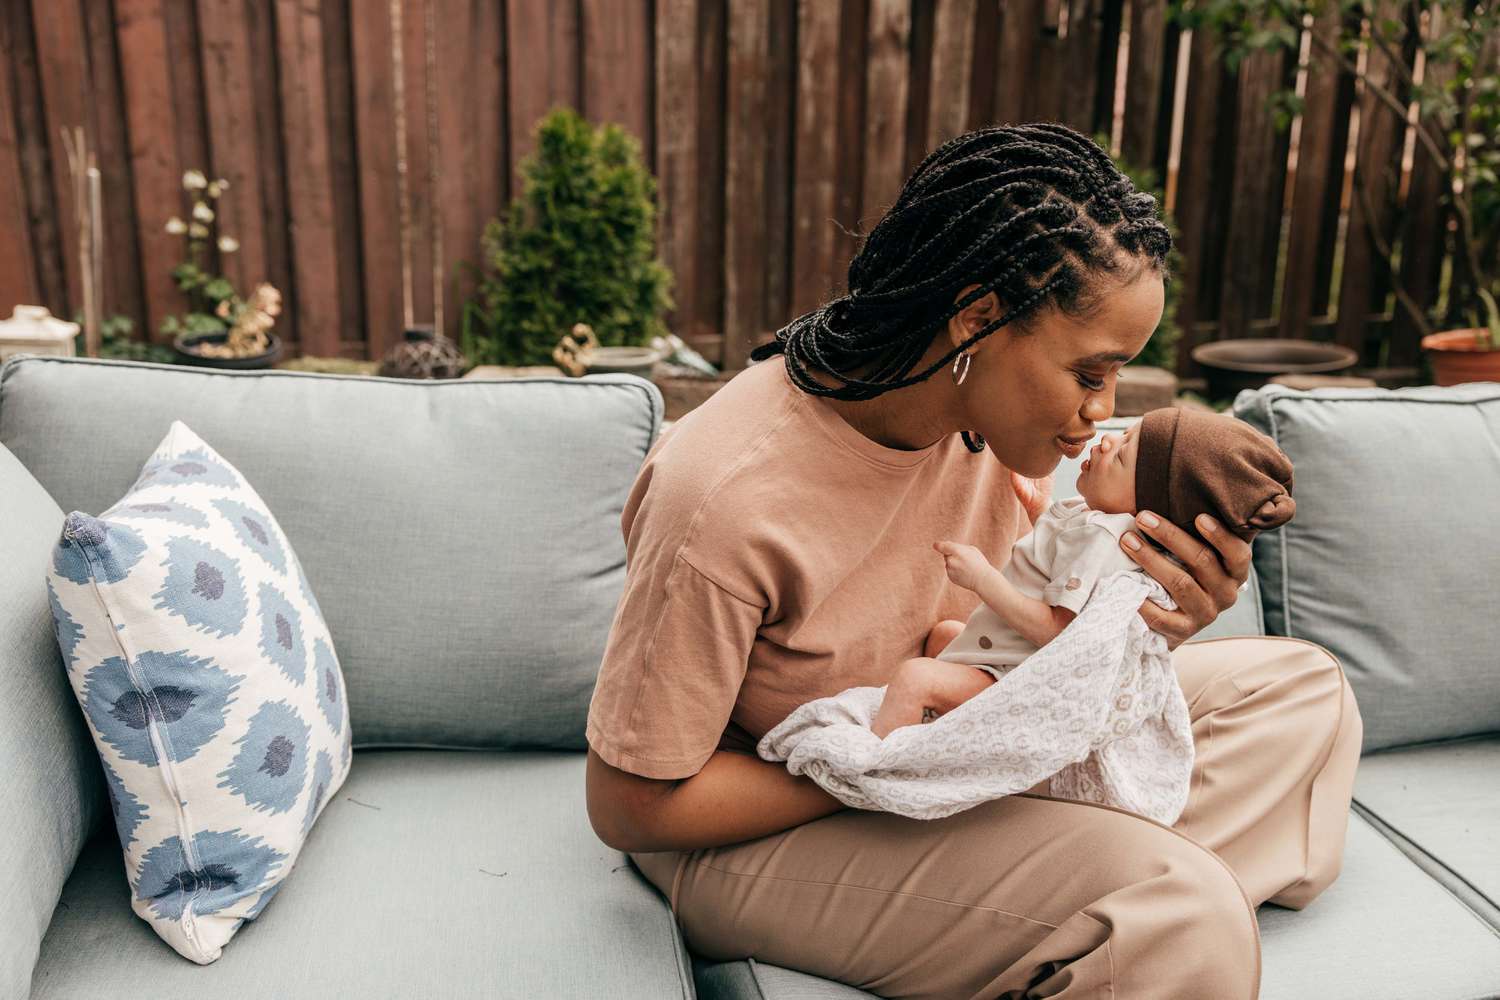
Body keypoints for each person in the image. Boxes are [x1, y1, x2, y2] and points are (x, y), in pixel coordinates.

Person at [584, 122, 1362, 999]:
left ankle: (1079, 918)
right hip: (759, 827)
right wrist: (903, 766)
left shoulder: (990, 423)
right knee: (1183, 913)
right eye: (1090, 373)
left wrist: (1145, 631)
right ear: (979, 318)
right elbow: (632, 807)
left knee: (1303, 696)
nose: (1100, 414)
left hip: (968, 746)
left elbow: (1021, 653)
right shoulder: (723, 497)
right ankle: (1139, 919)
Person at [870, 408, 1297, 740]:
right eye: (1125, 434)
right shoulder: (1097, 521)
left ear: (1148, 506)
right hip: (1004, 659)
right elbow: (1063, 568)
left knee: (916, 677)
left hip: (1024, 682)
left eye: (1125, 453)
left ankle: (876, 766)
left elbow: (1061, 634)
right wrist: (1043, 517)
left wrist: (982, 578)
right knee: (946, 634)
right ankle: (940, 734)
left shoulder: (1107, 536)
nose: (1109, 438)